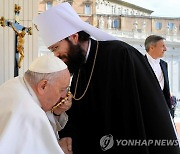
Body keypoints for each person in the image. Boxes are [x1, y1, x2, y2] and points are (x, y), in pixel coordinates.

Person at [33, 2, 180, 154]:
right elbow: (82, 112)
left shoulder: (120, 56)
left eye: (56, 48)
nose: (55, 55)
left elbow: (132, 118)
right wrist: (66, 131)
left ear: (74, 37)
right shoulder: (79, 65)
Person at [0, 54, 72, 154]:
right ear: (43, 86)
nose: (64, 96)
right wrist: (60, 150)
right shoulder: (30, 114)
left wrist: (56, 112)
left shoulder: (15, 84)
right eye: (62, 89)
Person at [144, 35, 172, 116]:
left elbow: (166, 89)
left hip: (162, 109)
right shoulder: (139, 63)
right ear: (152, 48)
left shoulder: (164, 65)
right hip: (145, 110)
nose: (165, 49)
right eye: (162, 46)